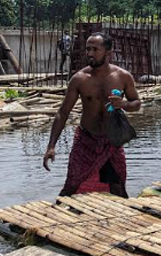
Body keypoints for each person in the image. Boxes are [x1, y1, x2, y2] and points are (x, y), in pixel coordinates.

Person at [43, 32, 141, 197]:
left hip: (112, 141)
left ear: (108, 52)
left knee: (117, 185)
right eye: (88, 49)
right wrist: (51, 146)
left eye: (95, 49)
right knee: (72, 184)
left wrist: (123, 104)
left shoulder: (123, 77)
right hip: (86, 139)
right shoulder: (80, 79)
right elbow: (63, 112)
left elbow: (136, 104)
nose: (90, 54)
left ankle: (120, 218)